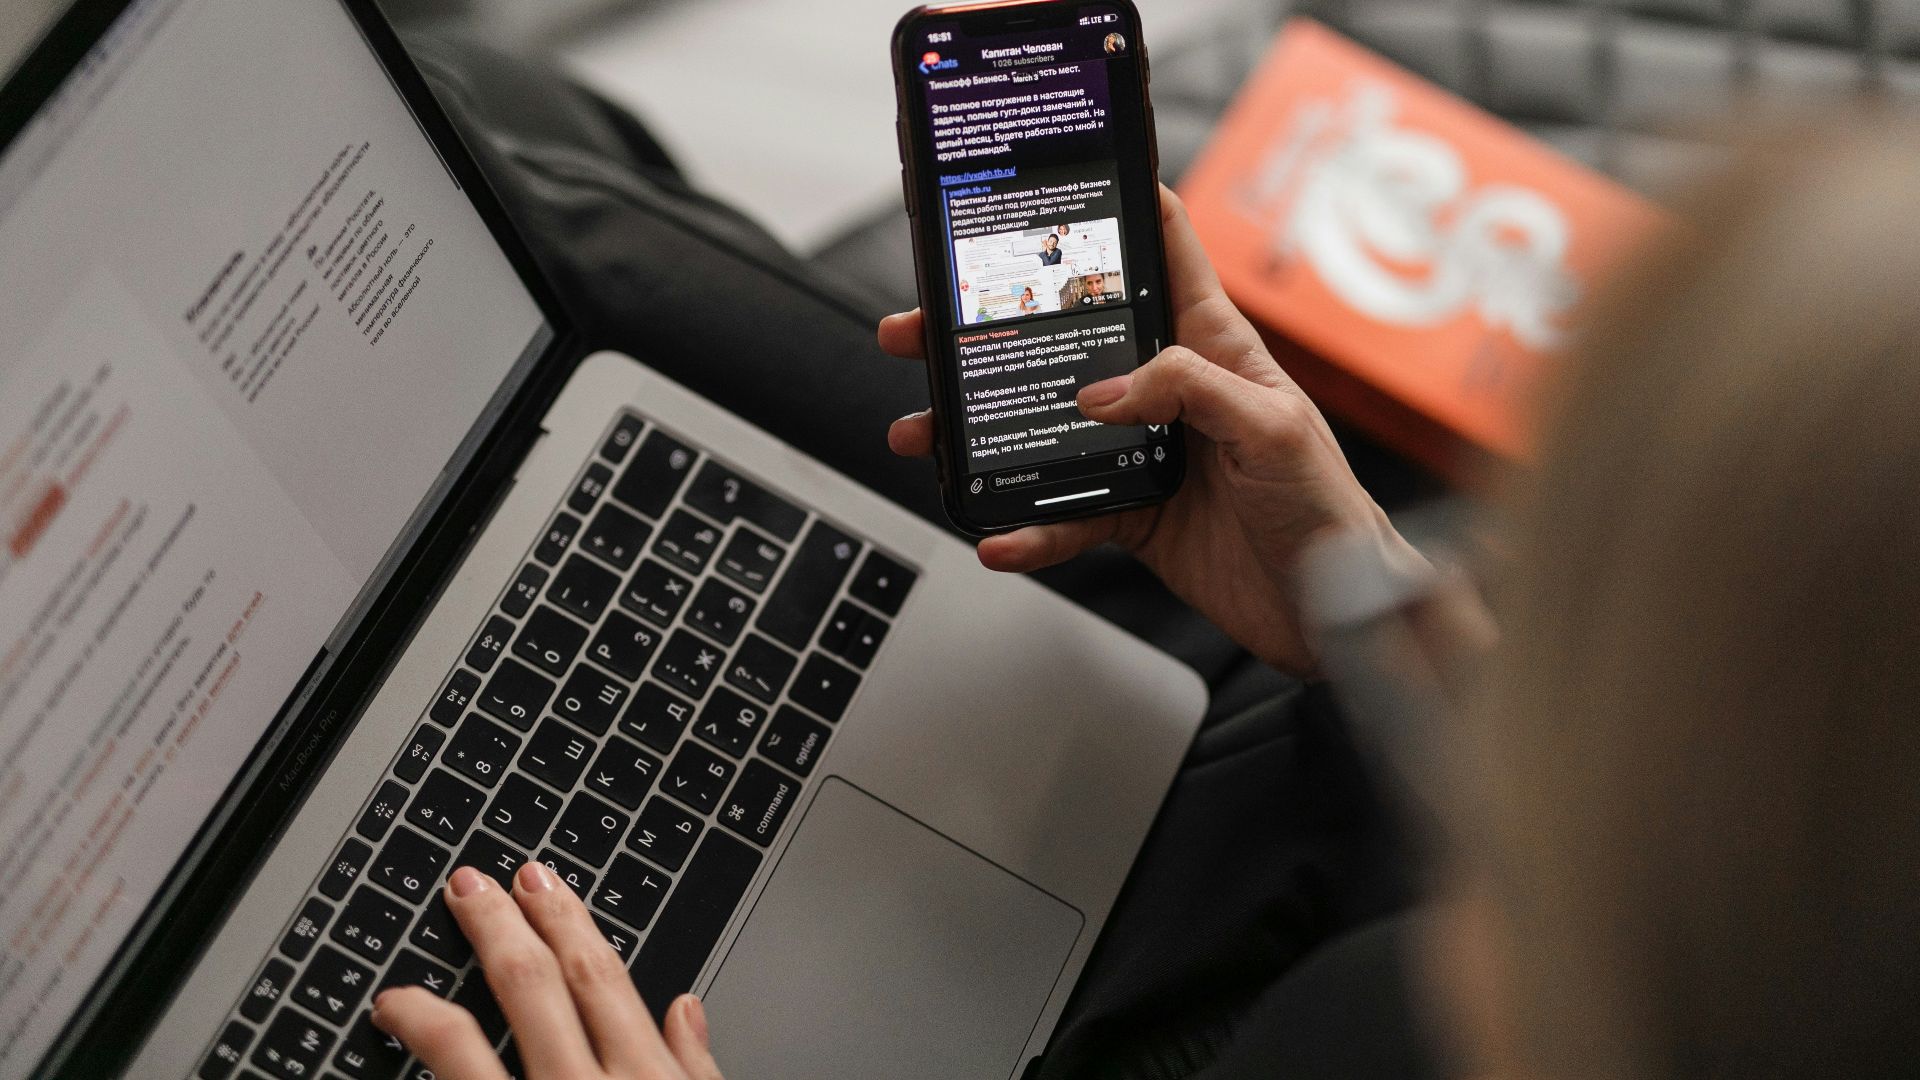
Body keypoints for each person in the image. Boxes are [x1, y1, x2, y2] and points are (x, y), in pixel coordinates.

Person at [371, 33, 1920, 1080]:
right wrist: (1388, 621)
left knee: (503, 164)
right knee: (530, 153)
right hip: (1287, 776)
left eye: (1575, 612)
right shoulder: (1722, 955)